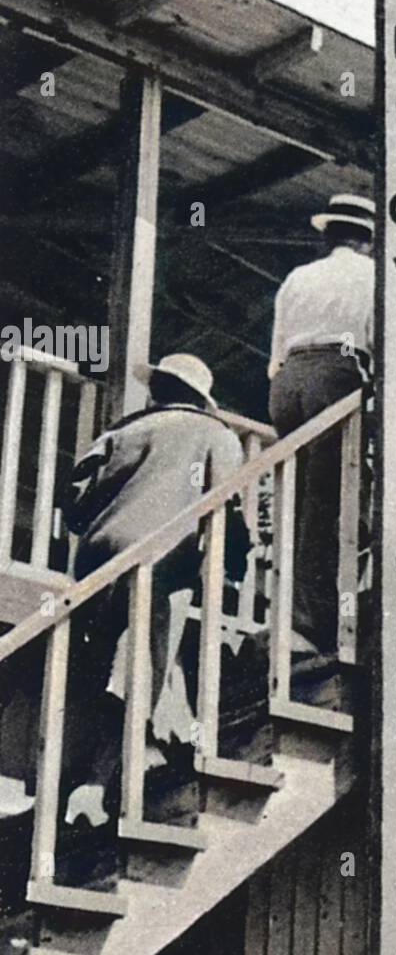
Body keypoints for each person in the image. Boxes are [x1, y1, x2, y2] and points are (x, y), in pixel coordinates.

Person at [60, 352, 249, 824]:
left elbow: (75, 506)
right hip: (160, 565)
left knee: (112, 670)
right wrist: (231, 570)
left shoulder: (123, 431)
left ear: (159, 390)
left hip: (98, 566)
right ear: (200, 399)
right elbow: (228, 508)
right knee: (138, 674)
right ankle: (95, 789)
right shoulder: (216, 436)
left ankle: (148, 754)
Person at [268, 192, 374, 660]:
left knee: (296, 500)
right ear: (369, 242)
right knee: (329, 504)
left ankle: (290, 615)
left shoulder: (297, 277)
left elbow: (275, 356)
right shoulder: (373, 276)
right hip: (337, 373)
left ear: (328, 235)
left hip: (289, 381)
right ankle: (312, 622)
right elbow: (379, 343)